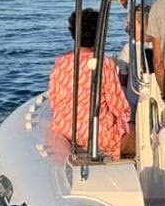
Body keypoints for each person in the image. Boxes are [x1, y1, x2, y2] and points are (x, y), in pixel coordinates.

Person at [47, 9, 134, 158]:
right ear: (100, 34)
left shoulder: (61, 62)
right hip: (96, 133)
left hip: (66, 127)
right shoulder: (104, 63)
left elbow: (54, 99)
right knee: (144, 139)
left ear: (73, 32)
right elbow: (118, 106)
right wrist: (130, 120)